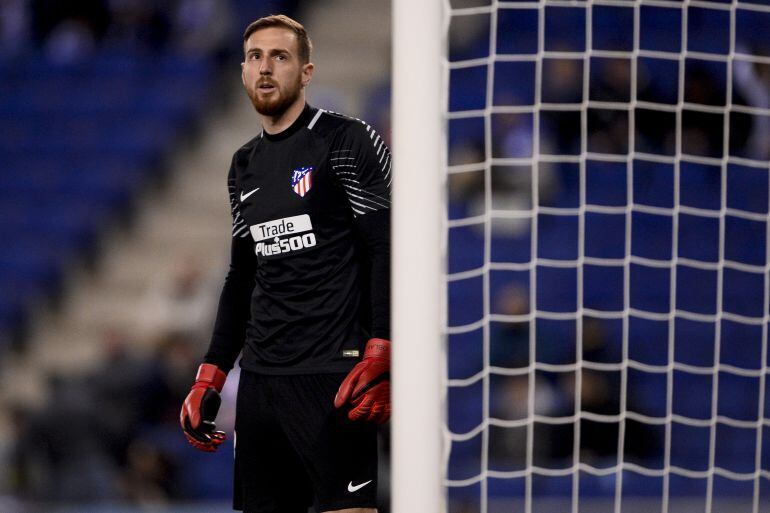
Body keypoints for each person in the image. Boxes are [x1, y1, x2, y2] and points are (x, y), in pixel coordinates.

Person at [178, 14, 391, 513]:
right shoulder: (243, 164)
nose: (266, 68)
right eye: (255, 57)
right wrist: (211, 372)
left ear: (307, 71)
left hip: (335, 375)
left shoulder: (346, 140)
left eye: (280, 56)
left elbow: (385, 247)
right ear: (243, 71)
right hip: (261, 383)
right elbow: (241, 276)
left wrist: (383, 343)